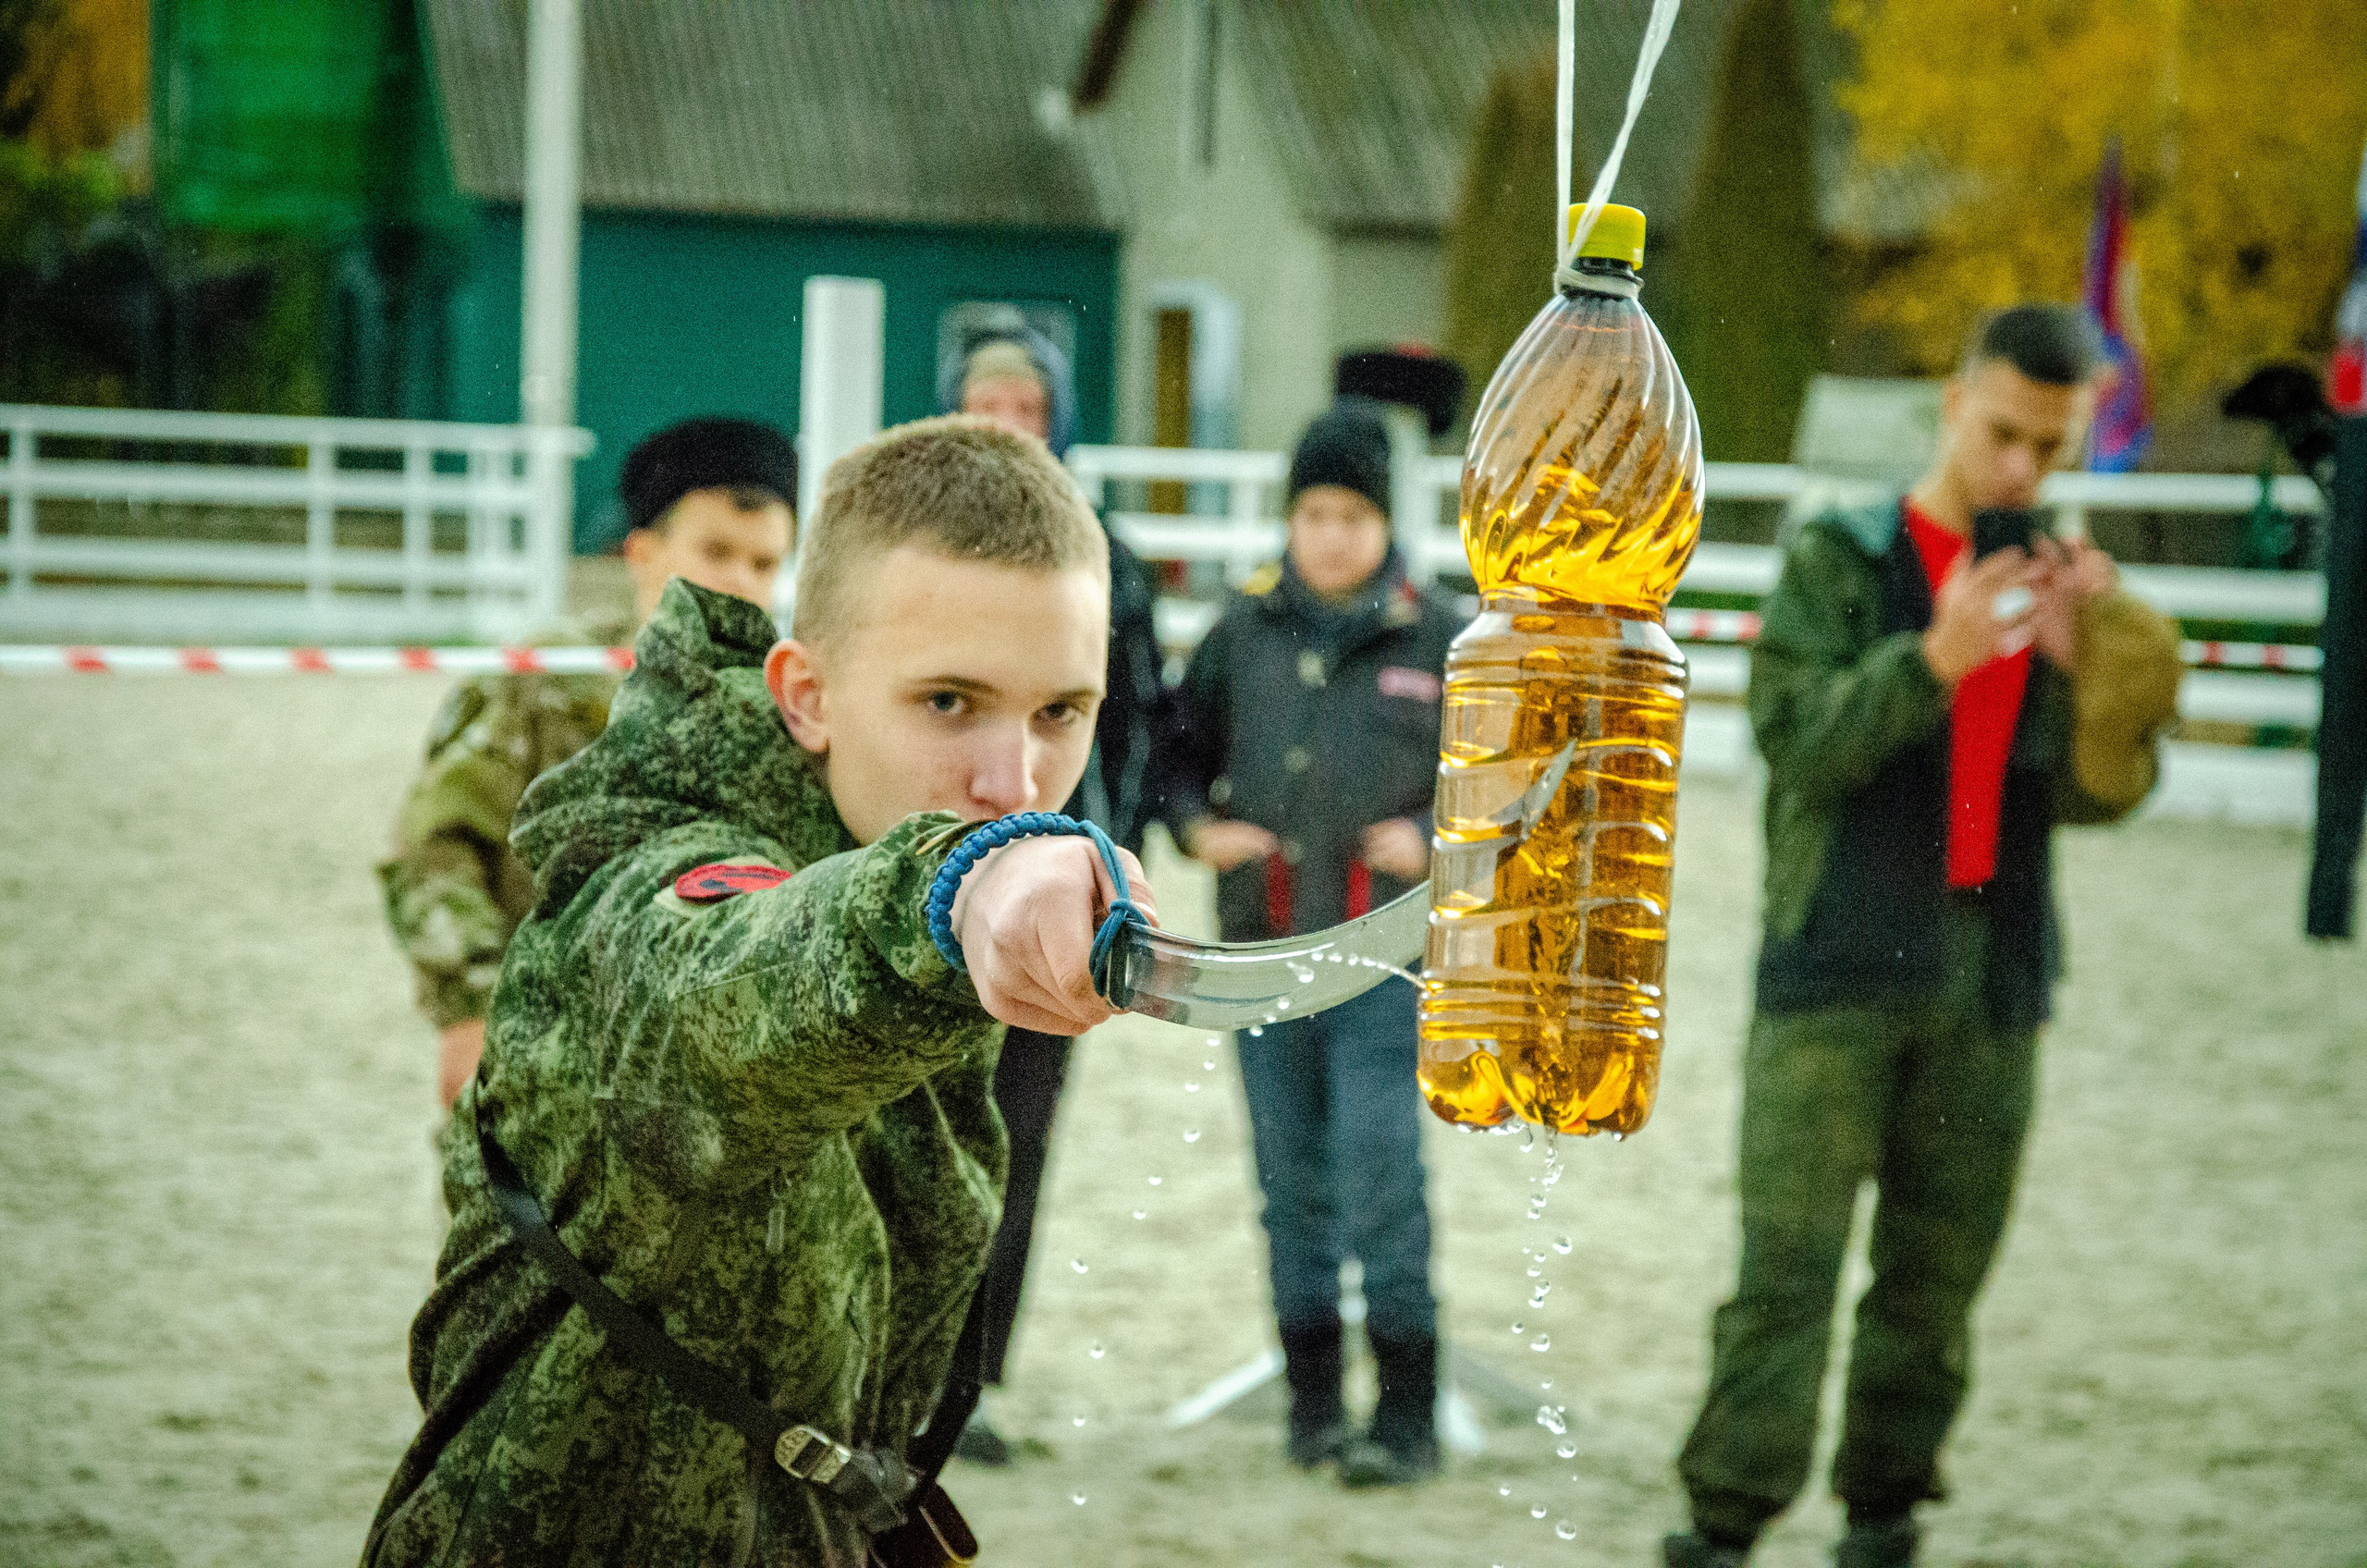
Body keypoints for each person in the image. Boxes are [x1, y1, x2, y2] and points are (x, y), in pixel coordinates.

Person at [362, 417, 1157, 1565]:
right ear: (808, 695)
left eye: (1060, 712)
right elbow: (719, 984)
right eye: (948, 700)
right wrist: (944, 898)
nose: (1015, 781)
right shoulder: (655, 867)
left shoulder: (885, 837)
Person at [1662, 306, 2185, 1568]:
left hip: (1992, 973)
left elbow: (2096, 799)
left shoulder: (2060, 585)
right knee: (1785, 1273)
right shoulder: (1841, 556)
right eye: (2002, 433)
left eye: (2049, 448)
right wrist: (1933, 660)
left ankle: (1884, 1517)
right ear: (1953, 405)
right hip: (1834, 968)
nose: (2020, 469)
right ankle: (1724, 1524)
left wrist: (2089, 673)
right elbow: (1794, 740)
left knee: (1935, 1285)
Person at [1158, 399, 1461, 1487]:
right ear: (1290, 518)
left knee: (1380, 1172)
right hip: (1260, 957)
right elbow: (1176, 754)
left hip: (1385, 956)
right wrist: (1195, 828)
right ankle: (1313, 1406)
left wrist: (1431, 834)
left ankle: (1408, 1416)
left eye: (1352, 516)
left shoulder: (1442, 636)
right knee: (1289, 1185)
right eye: (1314, 513)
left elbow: (1499, 786)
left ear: (1386, 523)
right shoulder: (1239, 631)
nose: (1331, 535)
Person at [378, 417, 796, 1113]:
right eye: (715, 551)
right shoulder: (550, 680)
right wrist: (469, 1012)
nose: (739, 581)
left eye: (765, 564)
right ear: (642, 553)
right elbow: (435, 845)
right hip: (548, 1056)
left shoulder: (796, 705)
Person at [935, 322, 1167, 1465]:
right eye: (987, 405)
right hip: (930, 889)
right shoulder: (915, 554)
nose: (1008, 428)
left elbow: (1139, 734)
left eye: (1026, 409)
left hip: (1059, 902)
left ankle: (970, 1383)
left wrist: (1113, 874)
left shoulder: (1109, 562)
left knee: (1016, 1143)